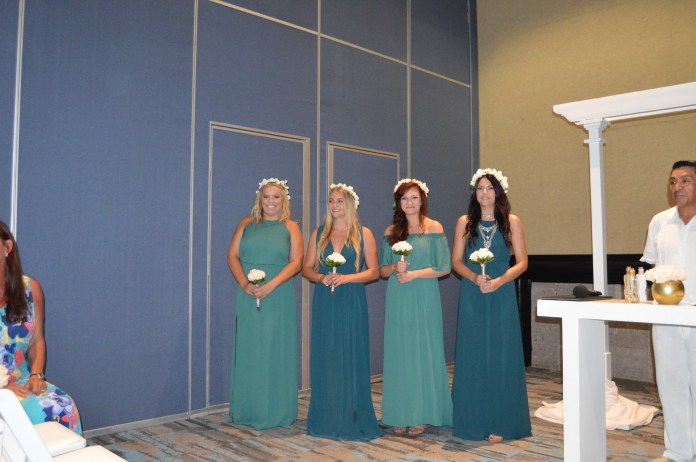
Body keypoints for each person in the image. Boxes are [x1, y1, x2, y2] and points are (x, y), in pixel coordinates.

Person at [450, 168, 531, 443]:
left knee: (502, 353)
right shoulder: (464, 222)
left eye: (490, 188)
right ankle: (473, 419)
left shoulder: (512, 221)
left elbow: (522, 262)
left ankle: (502, 420)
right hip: (472, 294)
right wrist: (474, 277)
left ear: (499, 192)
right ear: (475, 192)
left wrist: (499, 281)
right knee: (473, 354)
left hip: (501, 292)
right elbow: (456, 261)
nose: (484, 193)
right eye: (480, 188)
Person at [302, 183, 382, 441]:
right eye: (331, 201)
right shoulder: (318, 233)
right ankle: (327, 417)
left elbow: (374, 271)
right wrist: (321, 277)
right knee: (327, 355)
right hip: (325, 301)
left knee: (351, 354)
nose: (334, 205)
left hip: (351, 301)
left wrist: (347, 278)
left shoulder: (363, 234)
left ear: (350, 205)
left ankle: (352, 416)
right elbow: (307, 269)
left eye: (339, 201)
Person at [227, 178, 303, 429]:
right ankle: (247, 409)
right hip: (248, 295)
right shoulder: (246, 223)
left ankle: (275, 411)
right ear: (259, 199)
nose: (271, 202)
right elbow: (232, 256)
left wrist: (271, 285)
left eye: (276, 197)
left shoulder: (291, 226)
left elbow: (296, 262)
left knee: (274, 350)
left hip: (278, 294)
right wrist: (244, 284)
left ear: (284, 200)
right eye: (266, 197)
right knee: (250, 350)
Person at [379, 178, 452, 438]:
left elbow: (444, 267)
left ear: (422, 200)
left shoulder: (434, 227)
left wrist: (415, 274)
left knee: (423, 351)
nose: (409, 202)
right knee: (400, 352)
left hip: (424, 294)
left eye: (414, 197)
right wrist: (394, 268)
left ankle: (422, 413)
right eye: (404, 198)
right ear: (398, 203)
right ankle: (400, 413)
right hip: (398, 296)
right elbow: (381, 270)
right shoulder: (391, 231)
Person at [0, 220, 82, 433]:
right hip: (2, 389)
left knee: (63, 407)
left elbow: (37, 340)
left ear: (7, 247)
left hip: (22, 382)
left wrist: (36, 375)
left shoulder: (30, 289)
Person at [641, 160, 696, 462]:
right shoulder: (659, 221)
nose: (677, 187)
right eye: (673, 181)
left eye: (685, 180)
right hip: (666, 315)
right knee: (671, 384)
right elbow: (651, 266)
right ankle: (677, 452)